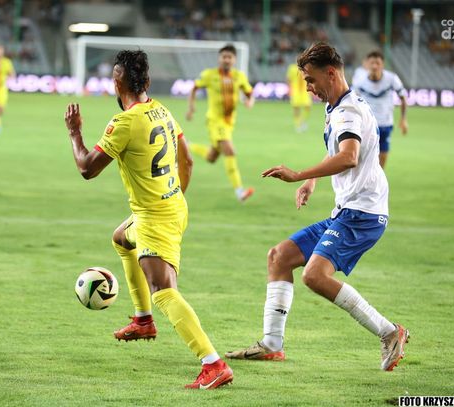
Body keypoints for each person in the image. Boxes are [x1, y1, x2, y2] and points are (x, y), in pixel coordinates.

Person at [225, 42, 409, 371]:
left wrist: (299, 174)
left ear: (331, 73)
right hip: (348, 210)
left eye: (310, 80)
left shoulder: (348, 111)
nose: (308, 87)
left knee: (314, 275)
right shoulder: (338, 107)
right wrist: (313, 181)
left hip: (363, 214)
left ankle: (389, 331)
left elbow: (349, 156)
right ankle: (271, 344)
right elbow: (339, 149)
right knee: (279, 257)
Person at [64, 50, 233, 390]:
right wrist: (174, 197)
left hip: (155, 217)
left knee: (164, 291)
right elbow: (188, 160)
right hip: (169, 206)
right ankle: (143, 321)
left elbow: (87, 168)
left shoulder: (124, 122)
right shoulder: (163, 110)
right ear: (148, 81)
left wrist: (74, 132)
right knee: (121, 238)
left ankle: (213, 364)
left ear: (117, 83)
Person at [186, 44, 255, 202]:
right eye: (224, 57)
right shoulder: (209, 75)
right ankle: (239, 191)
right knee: (230, 151)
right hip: (215, 121)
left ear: (234, 60)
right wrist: (191, 108)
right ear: (219, 59)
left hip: (229, 123)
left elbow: (250, 93)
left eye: (229, 57)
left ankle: (188, 146)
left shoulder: (239, 76)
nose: (226, 60)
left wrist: (250, 102)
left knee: (212, 157)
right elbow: (194, 88)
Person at [352, 50, 408, 168]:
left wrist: (403, 119)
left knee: (382, 159)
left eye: (377, 63)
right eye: (372, 63)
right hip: (366, 125)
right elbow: (352, 100)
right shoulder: (360, 80)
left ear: (382, 65)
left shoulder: (391, 78)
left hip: (385, 124)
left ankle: (378, 178)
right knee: (362, 159)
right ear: (367, 64)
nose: (374, 66)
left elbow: (403, 97)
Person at [287, 58, 312, 132]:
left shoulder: (307, 68)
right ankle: (298, 124)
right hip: (295, 91)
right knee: (296, 108)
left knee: (308, 107)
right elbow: (289, 79)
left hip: (305, 91)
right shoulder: (292, 68)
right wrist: (289, 89)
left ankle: (303, 121)